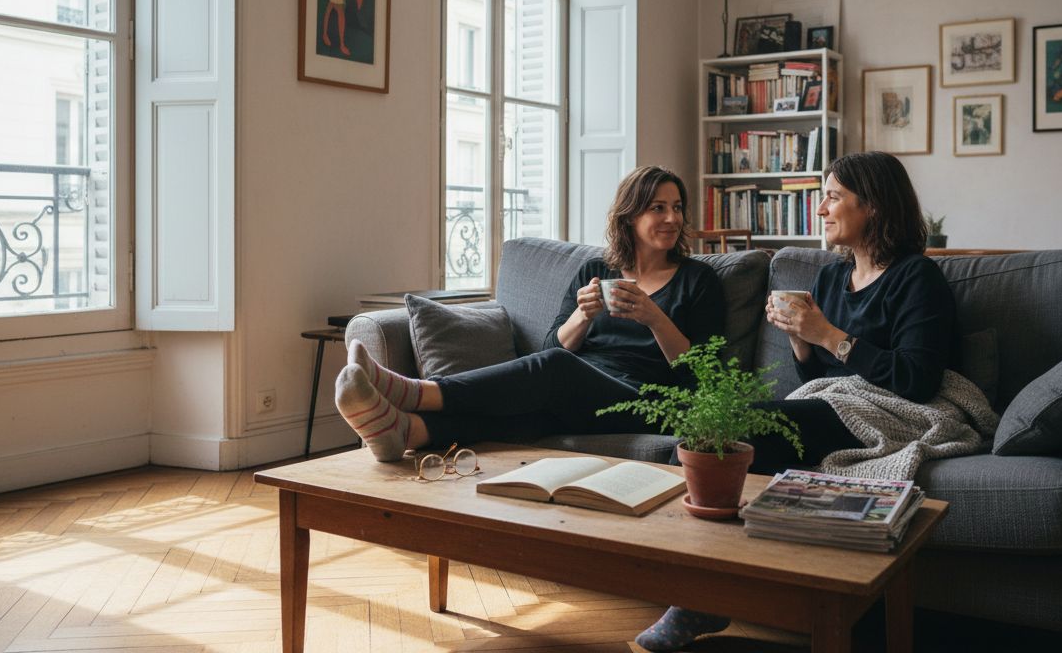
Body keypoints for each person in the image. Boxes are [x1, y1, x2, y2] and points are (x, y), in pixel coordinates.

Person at [635, 151, 958, 652]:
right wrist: (800, 340)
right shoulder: (830, 277)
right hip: (835, 401)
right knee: (718, 431)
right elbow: (820, 377)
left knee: (736, 428)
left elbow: (916, 379)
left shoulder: (917, 278)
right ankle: (713, 586)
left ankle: (703, 595)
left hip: (888, 408)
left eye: (832, 197)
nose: (822, 209)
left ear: (871, 206)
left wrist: (829, 334)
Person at [334, 165, 726, 461]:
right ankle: (406, 432)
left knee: (553, 368)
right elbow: (553, 343)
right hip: (580, 392)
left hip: (646, 401)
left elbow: (706, 376)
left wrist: (654, 317)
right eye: (658, 208)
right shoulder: (595, 271)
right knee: (530, 411)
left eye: (677, 208)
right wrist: (582, 316)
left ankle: (413, 391)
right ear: (630, 216)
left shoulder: (698, 280)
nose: (672, 218)